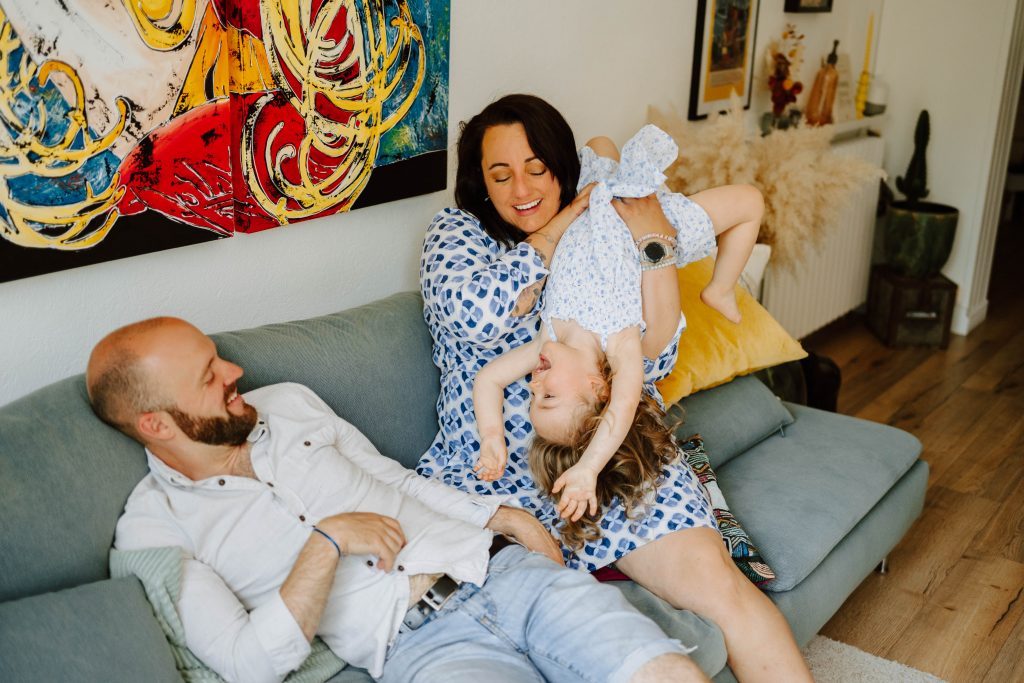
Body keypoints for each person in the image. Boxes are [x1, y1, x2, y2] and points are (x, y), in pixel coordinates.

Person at [418, 94, 813, 682]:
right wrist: (555, 232)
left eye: (537, 169)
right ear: (480, 181)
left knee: (721, 588)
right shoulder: (456, 234)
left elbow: (653, 355)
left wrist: (654, 248)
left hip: (612, 452)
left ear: (561, 166)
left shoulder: (602, 227)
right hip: (499, 475)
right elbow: (475, 314)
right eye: (500, 175)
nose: (521, 189)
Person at [86, 317, 708, 683]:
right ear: (156, 424)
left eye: (217, 358)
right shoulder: (156, 529)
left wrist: (508, 518)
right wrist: (326, 543)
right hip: (421, 647)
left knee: (663, 672)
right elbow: (248, 664)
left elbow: (396, 479)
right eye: (209, 376)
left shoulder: (286, 403)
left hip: (500, 570)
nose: (234, 372)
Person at [471, 125, 760, 543]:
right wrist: (587, 468)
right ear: (598, 387)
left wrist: (492, 439)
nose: (534, 384)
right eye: (548, 396)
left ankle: (721, 285)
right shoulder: (621, 345)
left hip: (593, 200)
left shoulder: (545, 341)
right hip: (649, 220)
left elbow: (489, 379)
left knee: (600, 143)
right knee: (750, 202)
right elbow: (622, 407)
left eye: (533, 396)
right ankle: (721, 288)